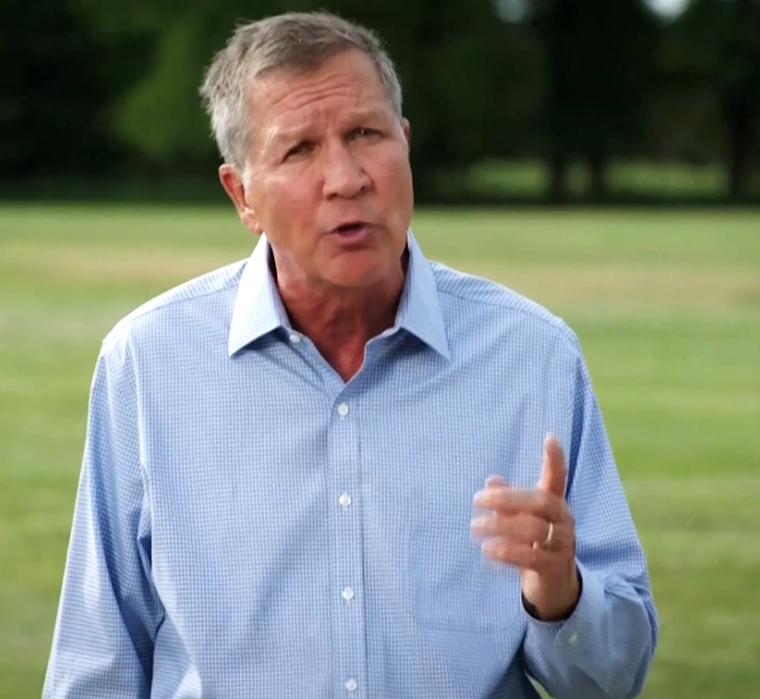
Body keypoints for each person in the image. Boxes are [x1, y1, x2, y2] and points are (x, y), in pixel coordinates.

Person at [41, 11, 657, 699]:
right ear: (241, 195)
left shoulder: (534, 356)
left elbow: (611, 680)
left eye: (366, 134)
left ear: (405, 143)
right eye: (299, 149)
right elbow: (98, 664)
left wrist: (561, 593)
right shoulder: (147, 364)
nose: (346, 177)